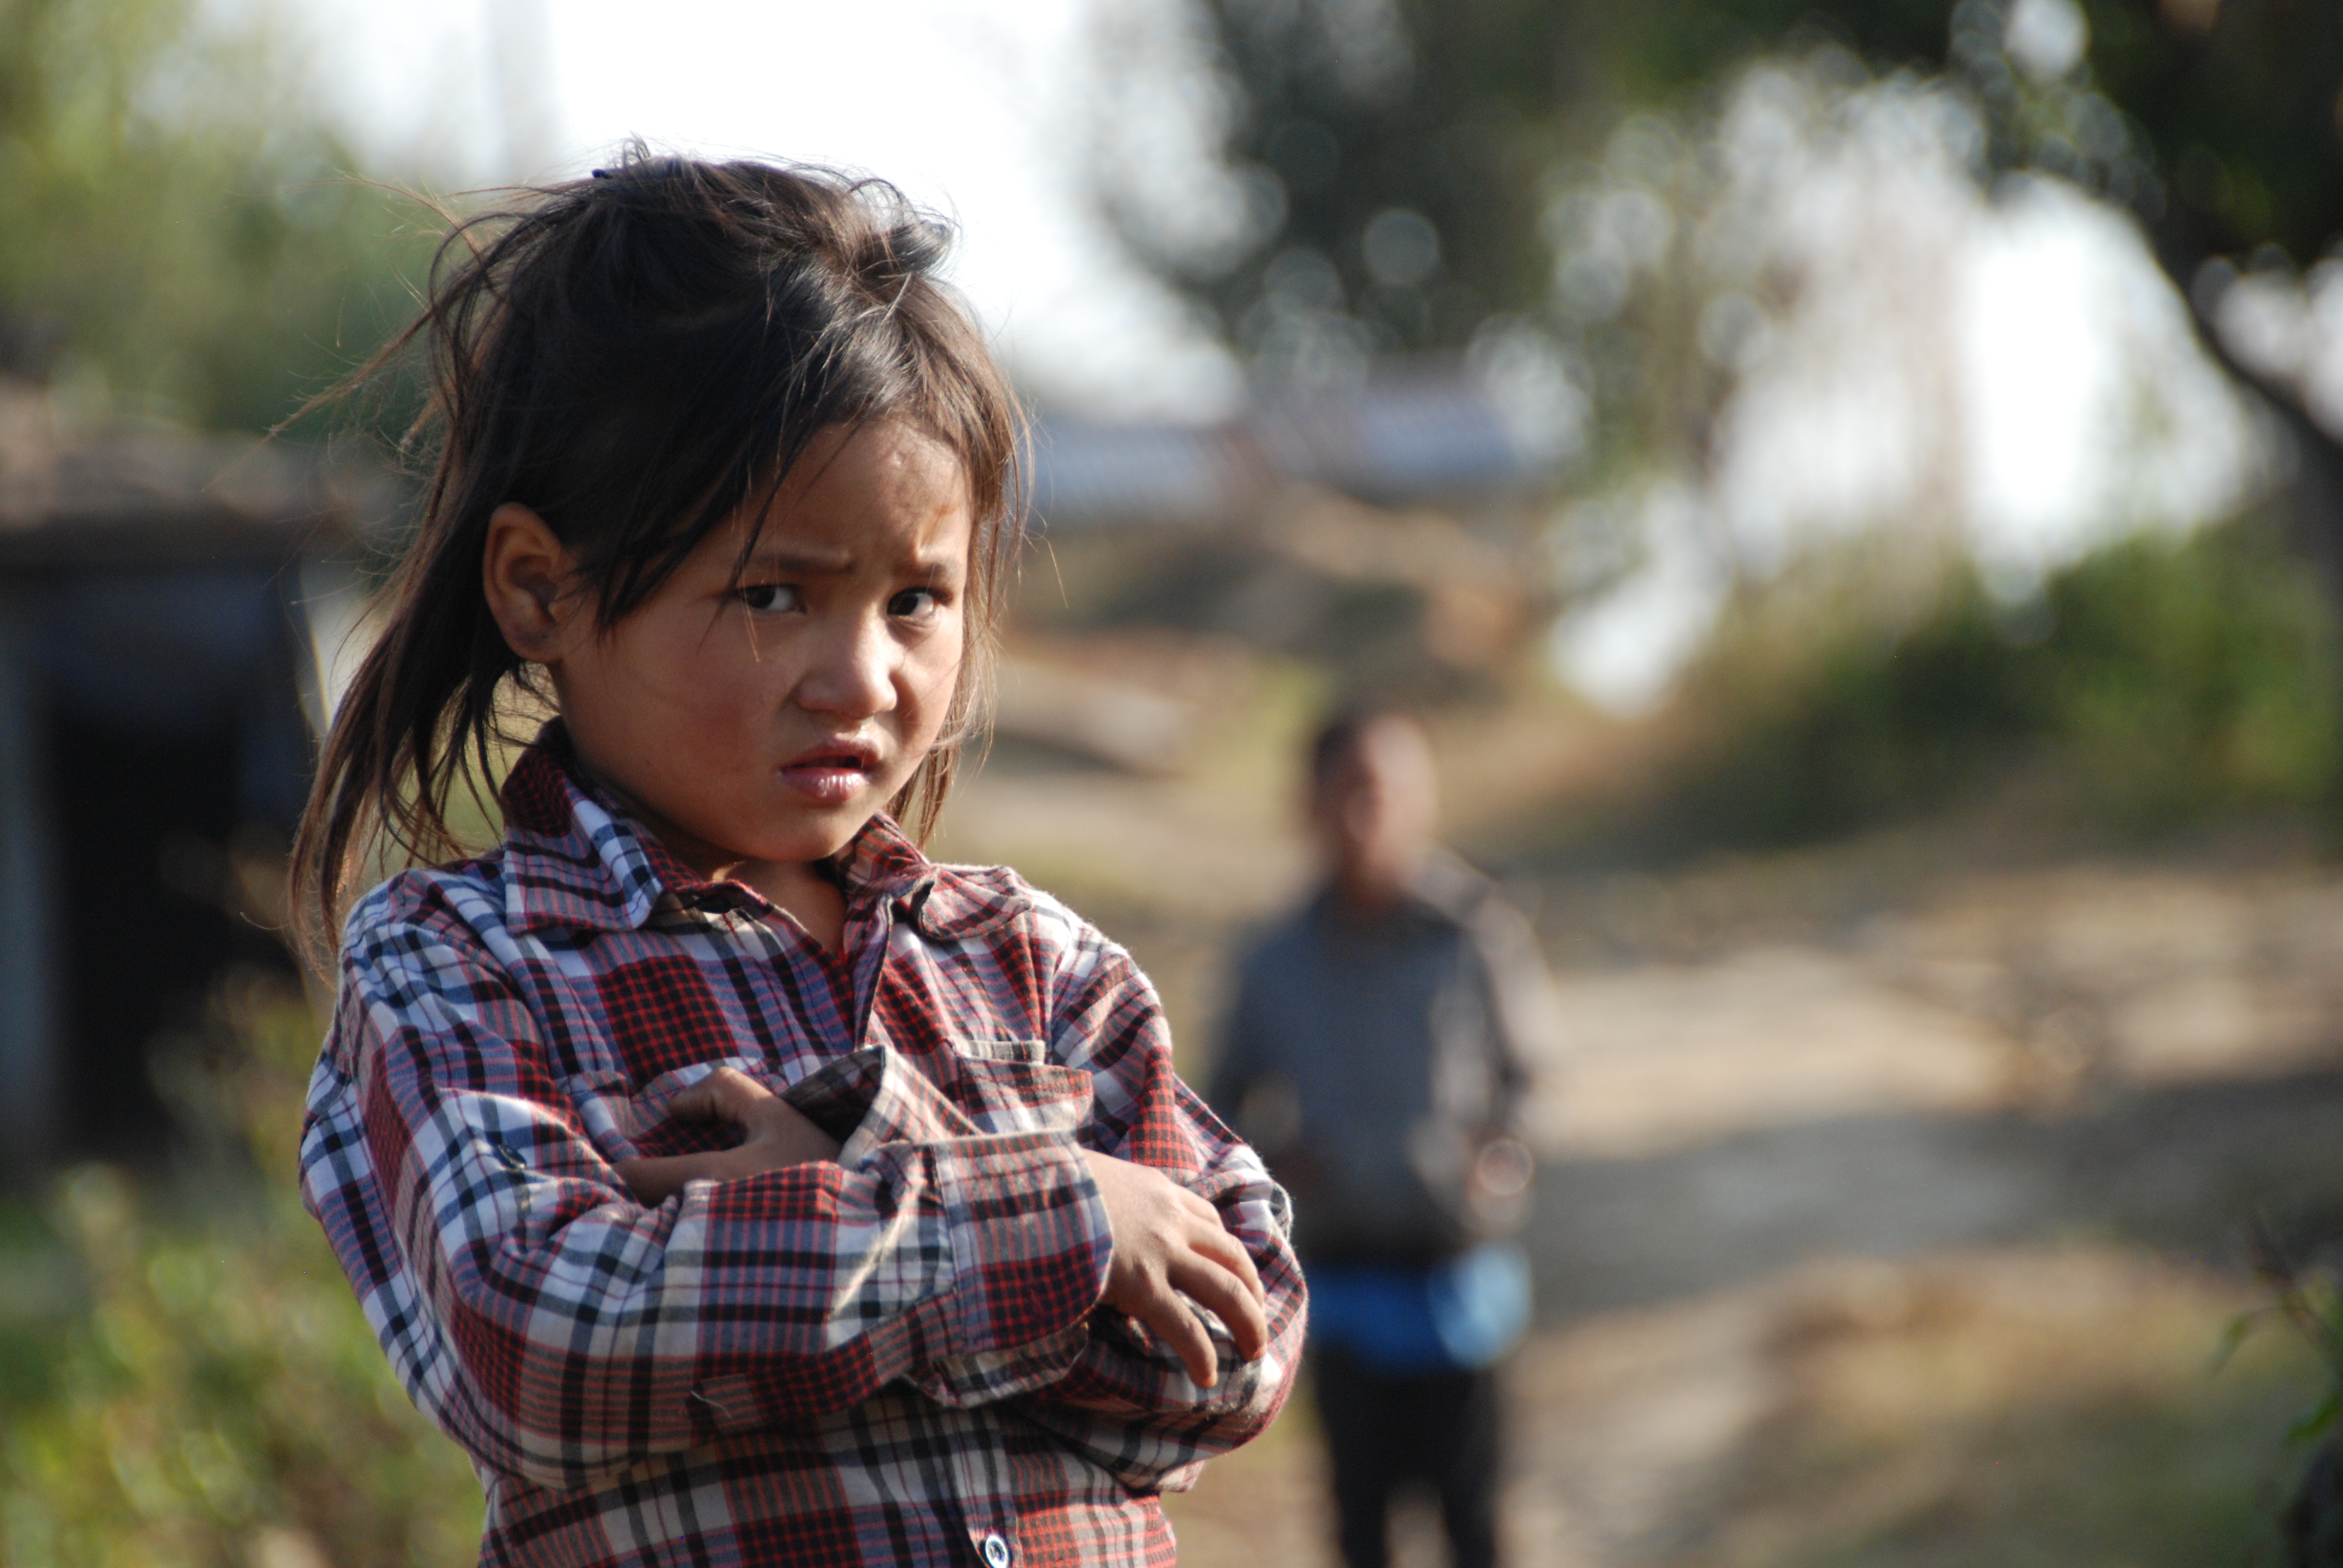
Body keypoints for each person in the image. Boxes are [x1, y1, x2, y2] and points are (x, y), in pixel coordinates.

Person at [289, 154, 1305, 1568]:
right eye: (774, 594)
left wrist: (857, 1165)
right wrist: (1059, 1224)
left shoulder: (1034, 969)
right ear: (539, 587)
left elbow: (1229, 1354)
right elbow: (544, 1340)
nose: (861, 678)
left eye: (918, 600)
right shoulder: (463, 964)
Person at [1210, 710, 1556, 1568]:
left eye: (1392, 791)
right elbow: (1218, 1114)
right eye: (1352, 791)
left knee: (1475, 1524)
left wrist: (1497, 1165)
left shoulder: (1474, 933)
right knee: (1360, 1529)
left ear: (1424, 801)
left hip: (1461, 1291)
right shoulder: (1273, 962)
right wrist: (1273, 1175)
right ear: (1313, 806)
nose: (1373, 814)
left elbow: (1533, 1079)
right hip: (1343, 1295)